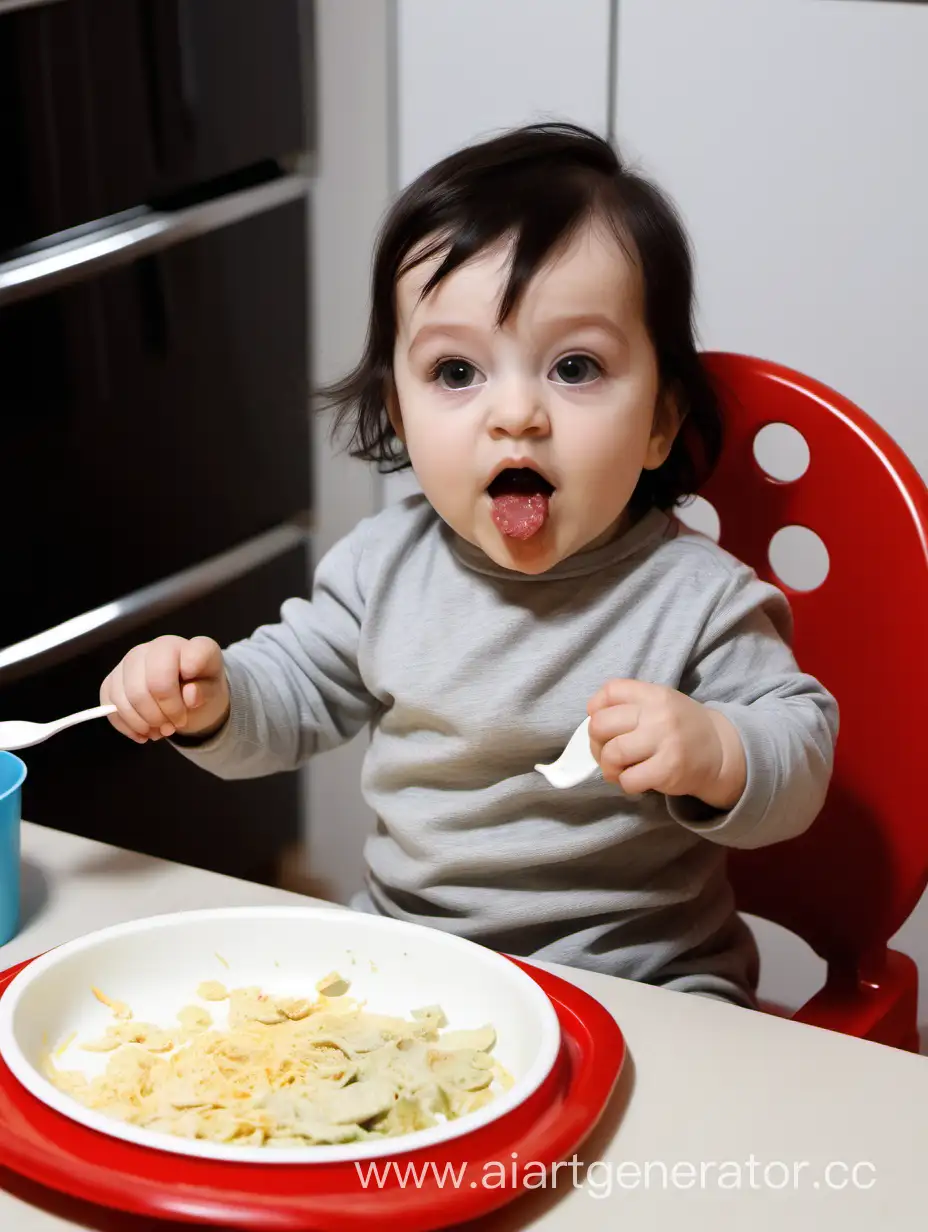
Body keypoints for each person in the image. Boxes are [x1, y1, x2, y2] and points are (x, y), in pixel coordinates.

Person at [100, 123, 838, 1007]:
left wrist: (717, 748)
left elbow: (800, 750)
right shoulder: (385, 567)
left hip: (644, 986)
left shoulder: (697, 600)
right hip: (413, 967)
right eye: (457, 371)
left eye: (575, 367)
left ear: (659, 423)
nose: (515, 414)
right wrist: (213, 698)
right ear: (400, 414)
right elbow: (293, 693)